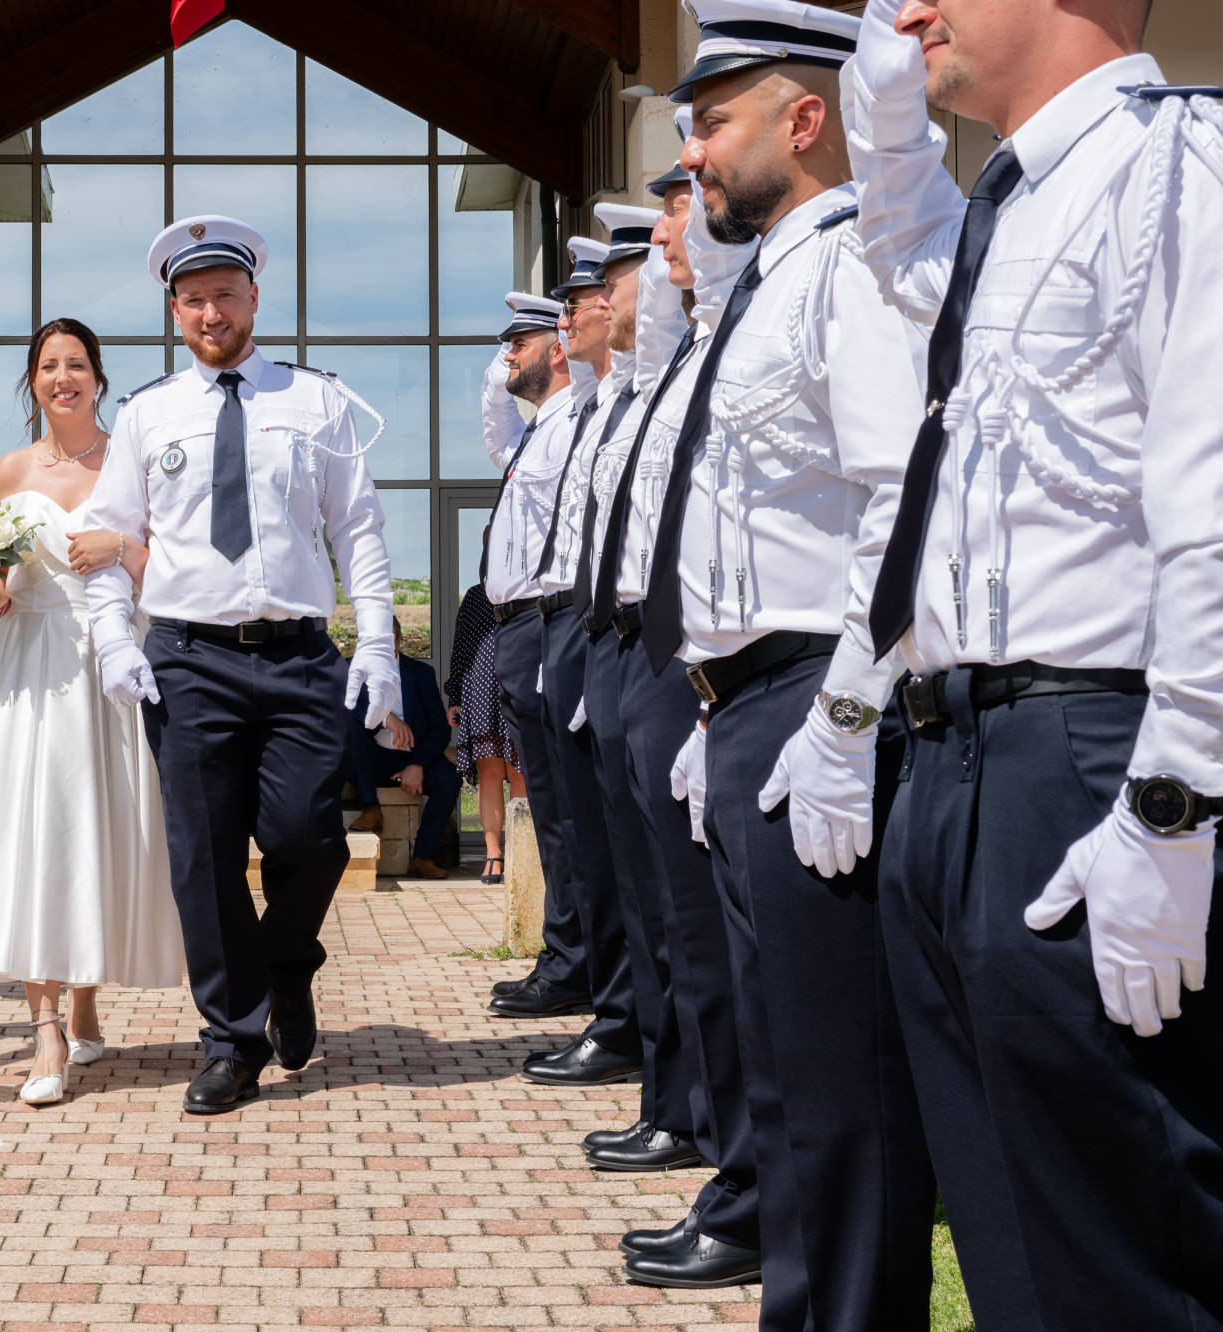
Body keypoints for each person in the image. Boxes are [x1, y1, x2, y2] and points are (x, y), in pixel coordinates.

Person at [846, 2, 1223, 1325]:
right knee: (1009, 1229)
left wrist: (1177, 808)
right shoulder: (1006, 207)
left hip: (1091, 758)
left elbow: (1215, 503)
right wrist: (884, 119)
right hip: (958, 757)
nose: (906, 10)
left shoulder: (1175, 165)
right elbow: (899, 258)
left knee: (1121, 1244)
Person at [644, 1, 937, 1319]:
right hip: (752, 706)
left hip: (819, 702)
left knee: (840, 1093)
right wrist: (717, 710)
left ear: (802, 120)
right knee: (781, 1075)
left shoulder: (850, 271)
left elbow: (897, 503)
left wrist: (843, 719)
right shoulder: (758, 294)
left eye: (713, 123)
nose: (693, 155)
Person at [83, 214, 401, 1114]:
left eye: (225, 294)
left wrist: (375, 640)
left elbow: (359, 531)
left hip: (297, 656)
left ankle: (287, 963)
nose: (211, 311)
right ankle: (230, 1037)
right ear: (175, 314)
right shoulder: (148, 413)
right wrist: (115, 639)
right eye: (194, 300)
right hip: (187, 659)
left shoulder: (319, 401)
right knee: (205, 860)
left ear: (254, 297)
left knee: (309, 835)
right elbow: (113, 543)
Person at [580, 141, 767, 1286]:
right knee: (669, 924)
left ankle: (723, 1152)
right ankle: (692, 1120)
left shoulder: (739, 334)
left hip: (722, 666)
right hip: (649, 659)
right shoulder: (671, 365)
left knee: (706, 937)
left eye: (680, 213)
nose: (659, 244)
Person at [0, 317, 185, 1107]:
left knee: (99, 829)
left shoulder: (136, 459)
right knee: (32, 835)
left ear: (99, 376)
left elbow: (176, 578)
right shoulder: (8, 471)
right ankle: (46, 1025)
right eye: (49, 366)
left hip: (109, 661)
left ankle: (87, 994)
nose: (63, 378)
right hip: (26, 671)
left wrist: (120, 551)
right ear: (32, 380)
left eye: (77, 364)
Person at [514, 252, 648, 1094]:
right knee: (588, 828)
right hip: (573, 625)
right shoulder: (587, 409)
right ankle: (612, 1001)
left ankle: (616, 1005)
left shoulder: (606, 404)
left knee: (613, 837)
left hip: (603, 621)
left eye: (588, 299)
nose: (571, 318)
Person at [476, 287, 601, 1021]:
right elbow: (496, 433)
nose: (504, 361)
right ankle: (564, 954)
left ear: (555, 348)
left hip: (549, 621)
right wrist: (502, 377)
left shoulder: (573, 422)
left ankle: (573, 960)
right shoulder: (534, 435)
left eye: (515, 346)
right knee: (549, 803)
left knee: (562, 809)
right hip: (520, 627)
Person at [347, 622, 460, 880]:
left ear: (399, 641)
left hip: (412, 756)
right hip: (370, 760)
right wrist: (386, 718)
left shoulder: (420, 673)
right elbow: (342, 711)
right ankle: (370, 809)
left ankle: (422, 857)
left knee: (449, 778)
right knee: (347, 728)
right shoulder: (349, 669)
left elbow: (439, 728)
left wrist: (417, 765)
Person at [441, 581, 523, 883]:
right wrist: (456, 699)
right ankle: (493, 855)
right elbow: (461, 648)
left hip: (519, 685)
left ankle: (517, 853)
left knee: (519, 773)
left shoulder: (528, 590)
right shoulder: (476, 596)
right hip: (481, 689)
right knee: (488, 774)